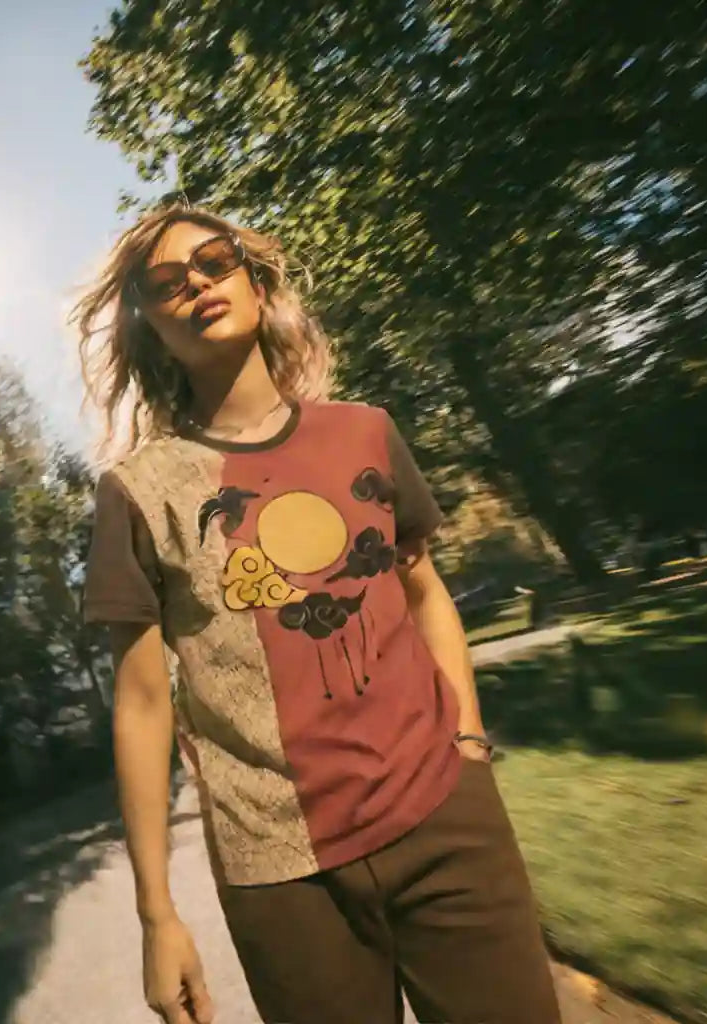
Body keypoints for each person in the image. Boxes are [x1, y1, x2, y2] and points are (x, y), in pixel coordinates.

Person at [75, 199, 561, 1024]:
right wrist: (156, 914)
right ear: (149, 325)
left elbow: (423, 592)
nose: (195, 282)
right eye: (165, 283)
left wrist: (469, 741)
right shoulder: (138, 493)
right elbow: (143, 700)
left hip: (445, 812)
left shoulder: (366, 433)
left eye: (215, 260)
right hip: (282, 875)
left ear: (257, 282)